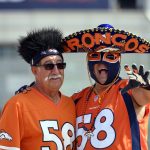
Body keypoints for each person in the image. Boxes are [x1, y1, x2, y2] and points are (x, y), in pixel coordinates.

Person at [13, 24, 150, 150]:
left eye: (110, 56)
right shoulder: (77, 99)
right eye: (95, 55)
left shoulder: (128, 89)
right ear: (88, 61)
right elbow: (52, 106)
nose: (102, 61)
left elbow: (144, 96)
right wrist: (33, 91)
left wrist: (146, 86)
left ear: (119, 60)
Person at [0, 28, 76, 150]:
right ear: (34, 70)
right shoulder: (17, 105)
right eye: (49, 65)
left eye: (60, 64)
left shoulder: (71, 104)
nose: (56, 71)